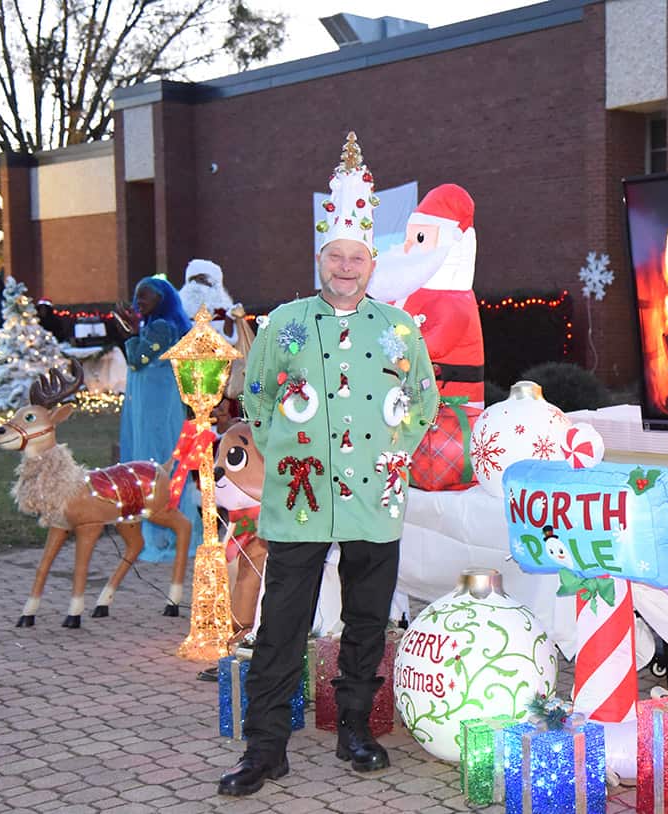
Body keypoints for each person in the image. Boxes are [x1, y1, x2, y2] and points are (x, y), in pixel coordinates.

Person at [219, 133, 438, 797]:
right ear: (321, 258)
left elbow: (423, 399)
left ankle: (355, 730)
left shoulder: (401, 329)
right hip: (300, 498)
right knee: (282, 622)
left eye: (357, 257)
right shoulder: (284, 323)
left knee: (368, 619)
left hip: (378, 495)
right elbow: (255, 397)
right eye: (335, 257)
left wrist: (397, 451)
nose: (346, 267)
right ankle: (264, 749)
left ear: (372, 262)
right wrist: (286, 452)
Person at [367, 183, 486, 405]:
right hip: (407, 401)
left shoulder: (454, 302)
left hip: (449, 404)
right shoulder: (406, 290)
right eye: (408, 237)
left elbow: (432, 345)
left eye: (420, 238)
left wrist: (383, 345)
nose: (408, 247)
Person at [115, 276, 204, 561]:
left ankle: (163, 534)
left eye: (146, 296)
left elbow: (138, 359)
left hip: (157, 406)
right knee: (162, 460)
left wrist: (130, 333)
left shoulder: (162, 327)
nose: (139, 301)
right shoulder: (158, 326)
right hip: (155, 403)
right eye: (137, 295)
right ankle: (167, 532)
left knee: (155, 460)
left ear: (162, 300)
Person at [178, 258, 240, 343]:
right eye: (192, 280)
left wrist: (229, 318)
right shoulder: (180, 308)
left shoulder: (222, 310)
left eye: (201, 279)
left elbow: (230, 341)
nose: (195, 284)